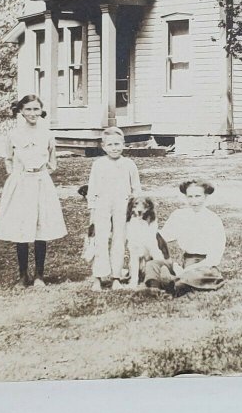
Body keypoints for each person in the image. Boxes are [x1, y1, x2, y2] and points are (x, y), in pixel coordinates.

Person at [0, 94, 67, 288]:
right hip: (21, 184)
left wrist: (40, 173)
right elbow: (8, 159)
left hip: (41, 182)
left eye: (36, 109)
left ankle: (39, 275)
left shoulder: (47, 134)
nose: (32, 113)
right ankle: (22, 275)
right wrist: (17, 176)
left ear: (41, 110)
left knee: (40, 227)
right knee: (22, 228)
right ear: (21, 111)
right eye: (28, 109)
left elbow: (52, 162)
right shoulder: (13, 135)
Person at [144, 179, 226, 296]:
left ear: (206, 196)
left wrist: (187, 270)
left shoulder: (213, 220)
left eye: (198, 196)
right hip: (183, 262)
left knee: (203, 275)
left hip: (203, 264)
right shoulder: (179, 215)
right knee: (152, 265)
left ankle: (173, 284)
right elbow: (162, 237)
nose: (194, 201)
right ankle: (154, 288)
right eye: (190, 196)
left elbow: (214, 258)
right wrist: (149, 226)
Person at [87, 126, 142, 292]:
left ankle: (116, 277)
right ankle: (98, 277)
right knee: (100, 240)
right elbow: (92, 189)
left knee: (119, 239)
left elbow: (136, 189)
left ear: (124, 144)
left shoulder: (129, 164)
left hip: (122, 205)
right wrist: (93, 209)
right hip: (102, 205)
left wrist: (135, 207)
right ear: (103, 146)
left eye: (118, 144)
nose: (114, 148)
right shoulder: (98, 164)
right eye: (110, 145)